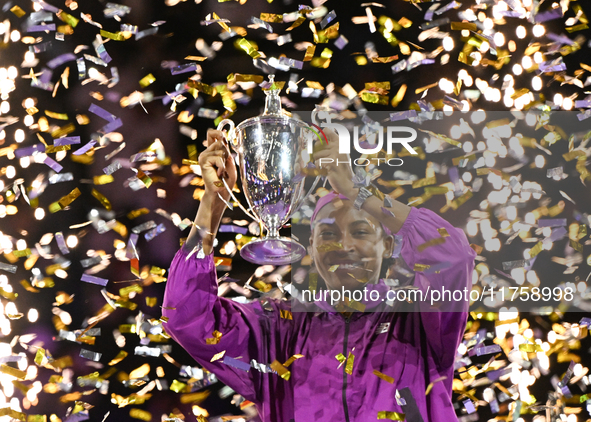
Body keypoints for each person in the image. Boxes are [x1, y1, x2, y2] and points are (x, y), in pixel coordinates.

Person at [162, 128, 477, 422]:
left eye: (361, 231)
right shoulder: (278, 330)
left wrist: (357, 191)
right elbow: (186, 318)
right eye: (327, 235)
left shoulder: (420, 318)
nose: (344, 245)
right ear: (311, 248)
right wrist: (213, 204)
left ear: (389, 245)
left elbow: (454, 256)